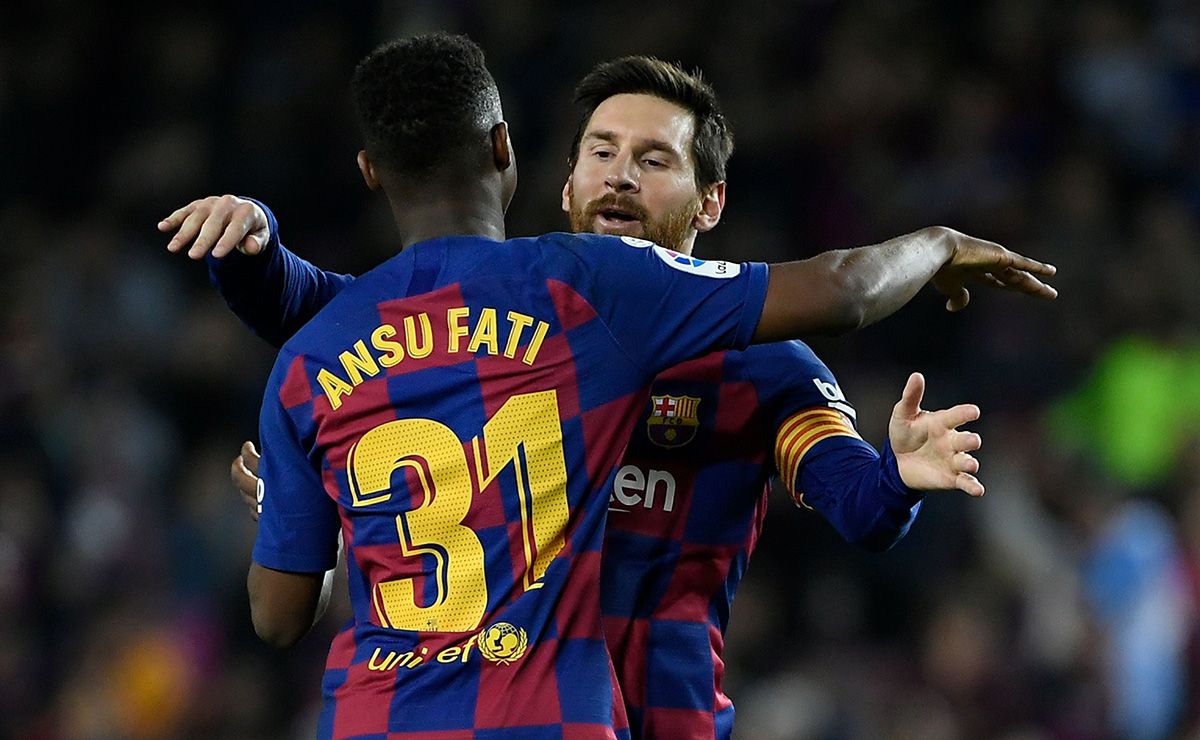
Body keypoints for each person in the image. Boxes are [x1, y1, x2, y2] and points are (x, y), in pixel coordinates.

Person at [162, 39, 1056, 738]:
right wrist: (254, 255)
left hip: (651, 718)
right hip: (545, 711)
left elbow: (858, 505)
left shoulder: (764, 368)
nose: (621, 174)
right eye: (601, 151)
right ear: (555, 175)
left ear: (709, 203)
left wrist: (900, 474)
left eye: (654, 159)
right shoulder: (550, 308)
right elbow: (341, 314)